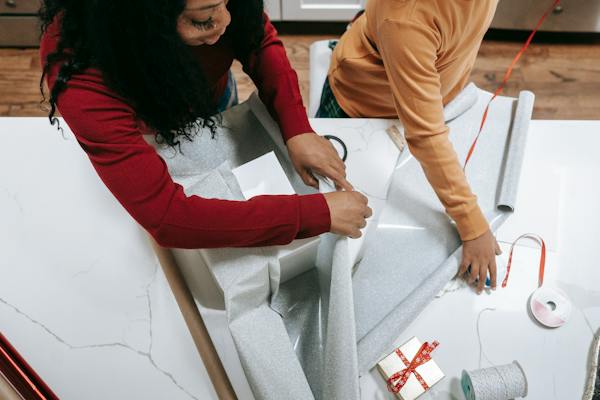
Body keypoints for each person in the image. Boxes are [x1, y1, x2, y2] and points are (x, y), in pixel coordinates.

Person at [38, 0, 372, 249]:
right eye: (204, 19)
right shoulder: (80, 74)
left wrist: (296, 127)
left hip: (210, 99)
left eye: (228, 3)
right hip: (149, 131)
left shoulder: (220, 12)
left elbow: (257, 39)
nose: (226, 21)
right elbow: (167, 216)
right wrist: (312, 214)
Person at [317, 0, 502, 293]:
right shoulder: (406, 17)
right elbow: (426, 135)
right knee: (336, 218)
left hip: (422, 93)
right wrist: (473, 227)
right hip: (361, 107)